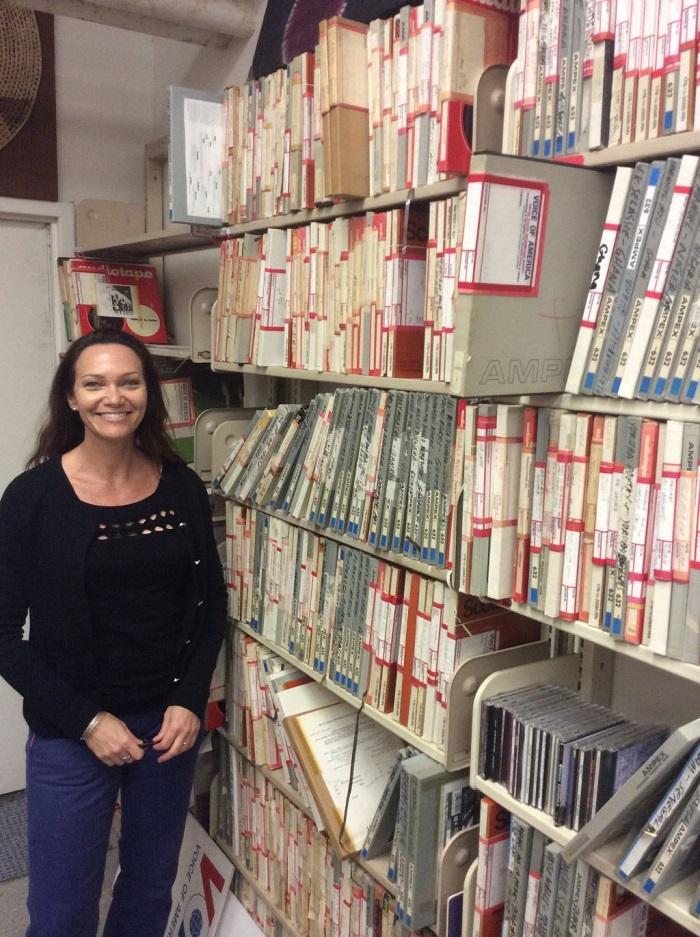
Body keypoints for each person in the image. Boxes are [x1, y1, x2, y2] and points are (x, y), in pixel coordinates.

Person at [0, 329, 227, 937]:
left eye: (129, 382)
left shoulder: (179, 487)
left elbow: (208, 604)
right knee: (60, 910)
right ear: (71, 398)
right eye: (94, 383)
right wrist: (87, 722)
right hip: (72, 734)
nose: (113, 397)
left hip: (167, 731)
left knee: (149, 890)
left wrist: (188, 699)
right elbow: (3, 636)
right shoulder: (31, 499)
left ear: (148, 394)